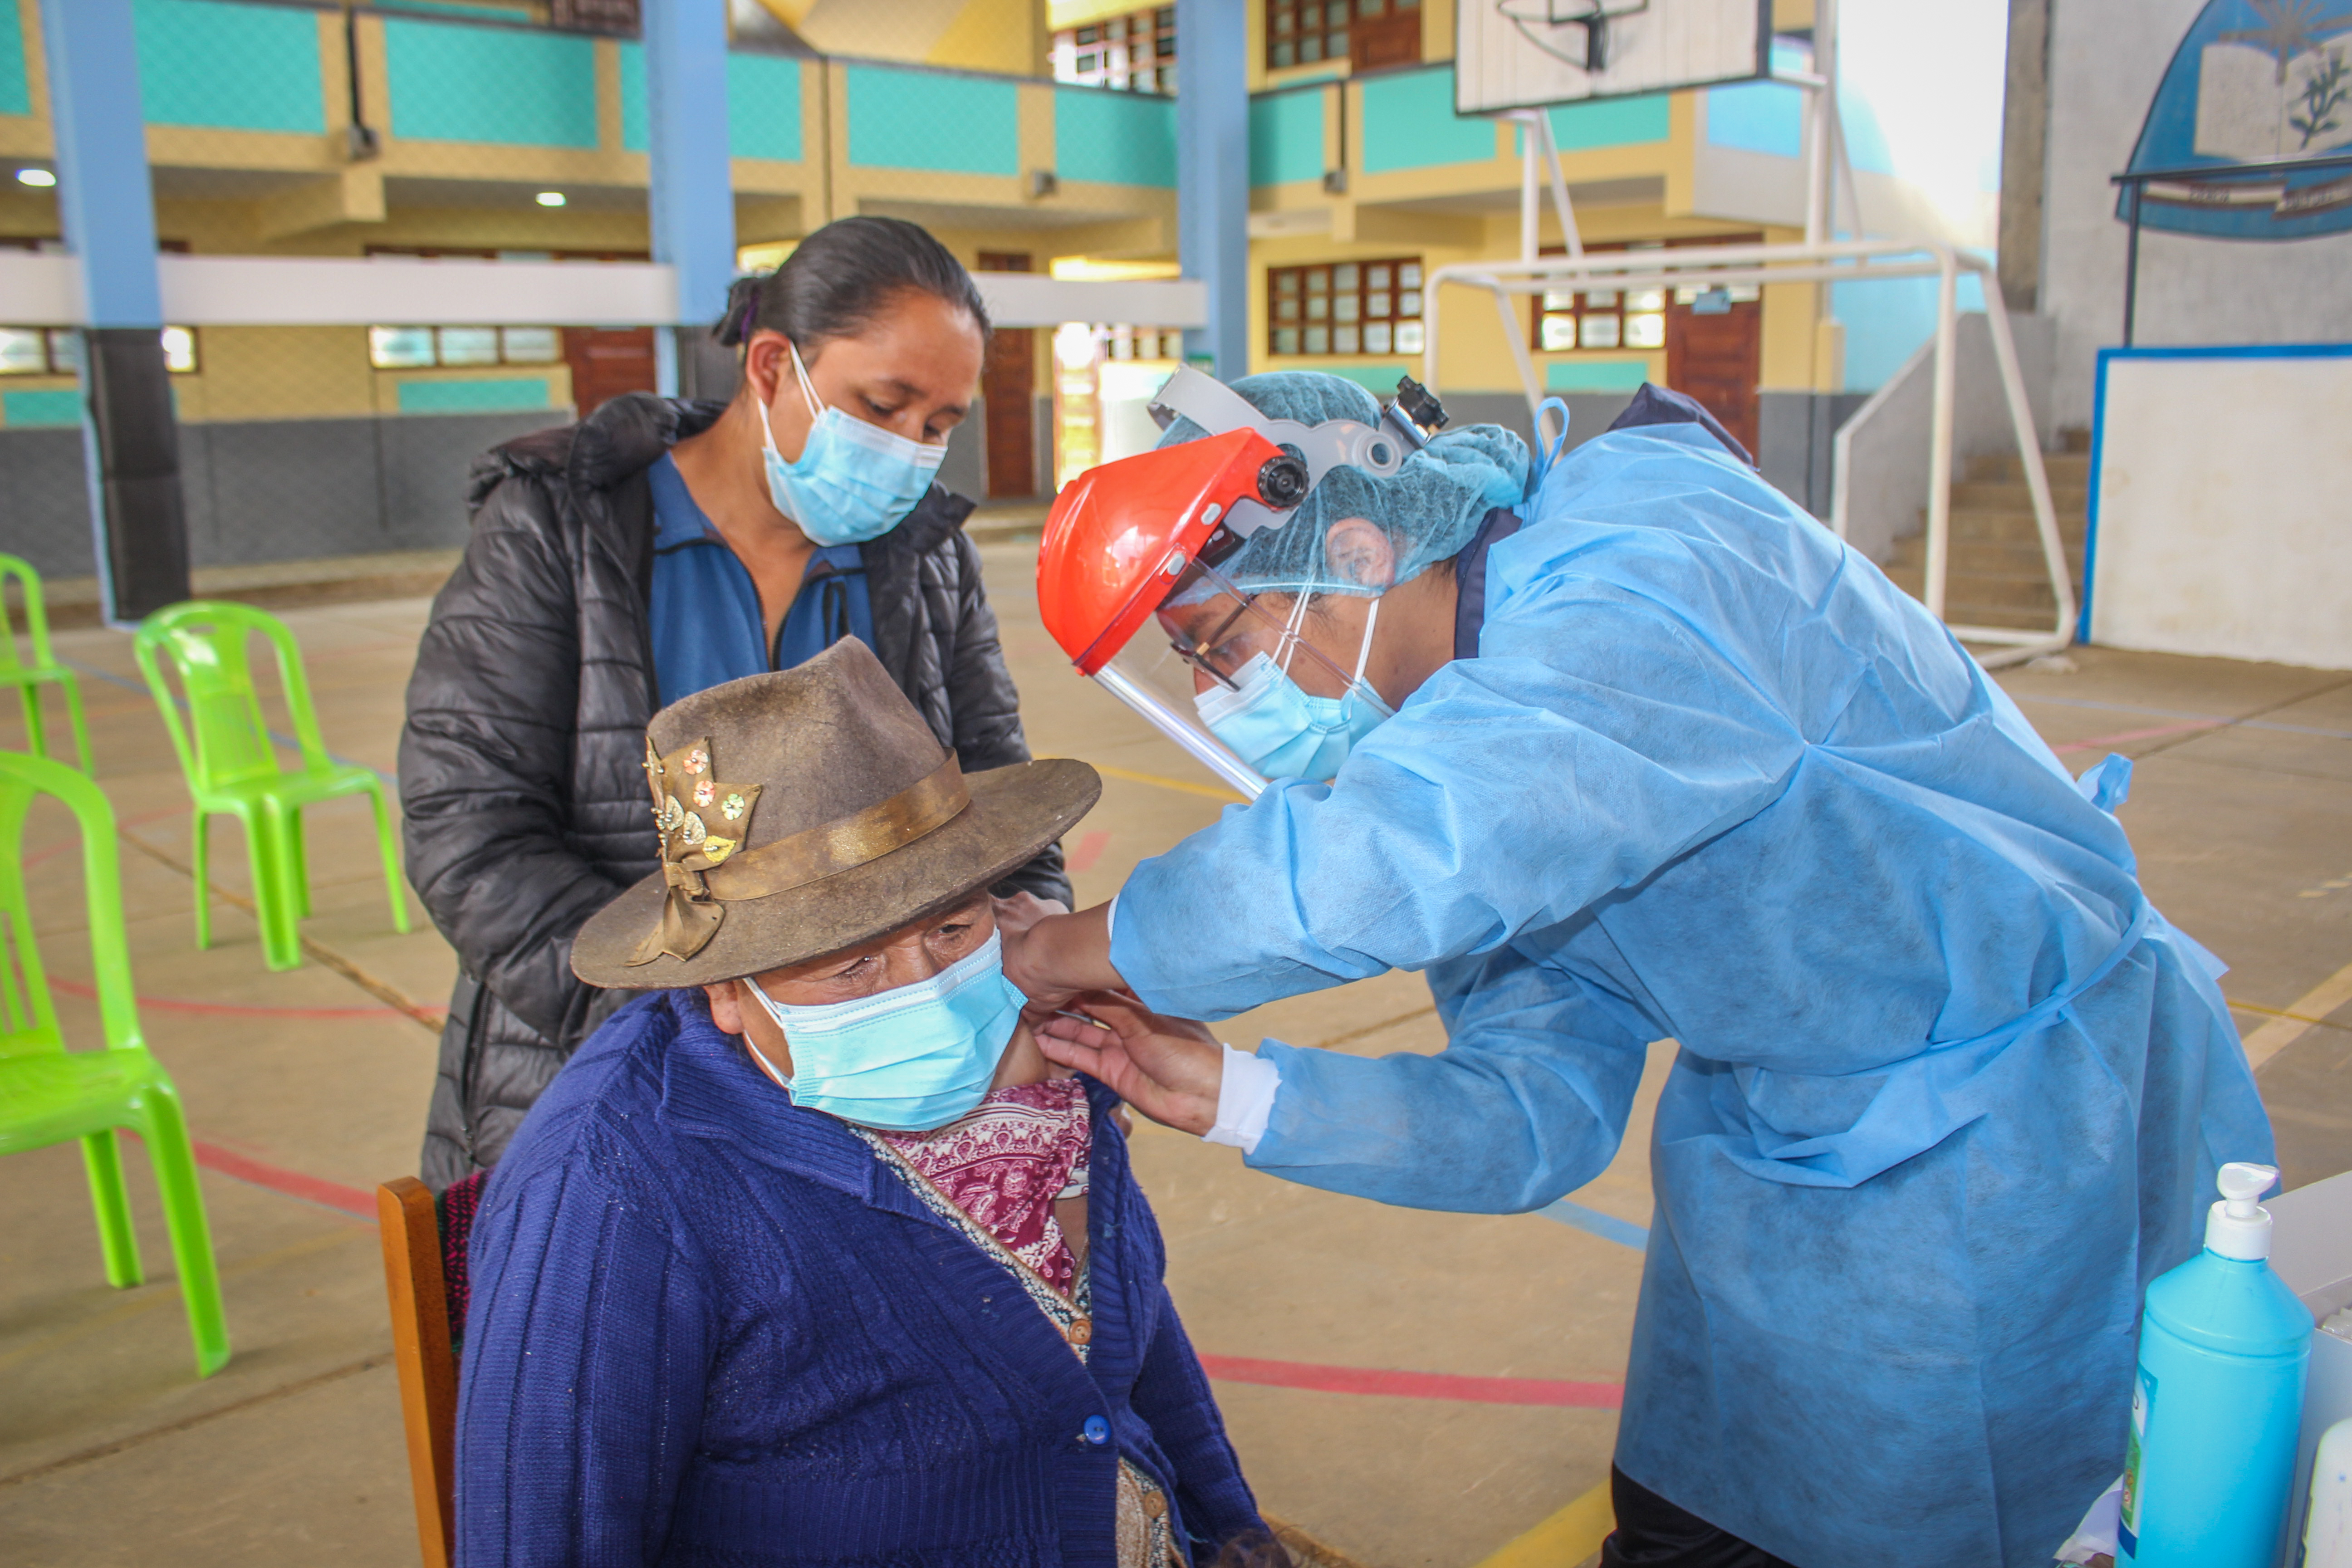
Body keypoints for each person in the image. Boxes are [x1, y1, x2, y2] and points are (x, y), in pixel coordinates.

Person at [1007, 372, 2274, 1568]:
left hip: (2005, 1138)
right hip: (1776, 1137)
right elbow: (1531, 1115)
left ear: (1354, 553)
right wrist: (1231, 1093)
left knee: (1931, 1515)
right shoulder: (1459, 744)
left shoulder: (1634, 575)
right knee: (1698, 1498)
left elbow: (1396, 859)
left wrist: (1063, 950)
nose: (1220, 693)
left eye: (1219, 642)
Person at [456, 640, 1273, 1567]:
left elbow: (1138, 1364)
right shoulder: (610, 1192)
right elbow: (544, 1538)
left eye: (954, 926)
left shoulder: (1051, 1059)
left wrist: (1234, 1530)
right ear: (726, 989)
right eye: (852, 966)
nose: (926, 989)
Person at [401, 216, 1067, 1190]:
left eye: (939, 427)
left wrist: (1025, 961)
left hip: (887, 1072)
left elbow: (998, 794)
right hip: (608, 1064)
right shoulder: (560, 532)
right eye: (882, 406)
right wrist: (693, 1029)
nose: (911, 452)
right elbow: (468, 828)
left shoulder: (924, 560)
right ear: (770, 368)